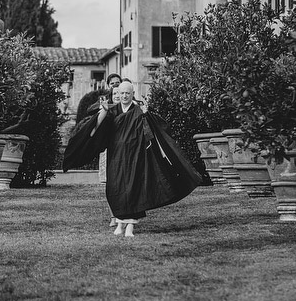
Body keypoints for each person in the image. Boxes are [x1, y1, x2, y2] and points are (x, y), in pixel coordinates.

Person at [63, 82, 202, 237]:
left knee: (134, 187)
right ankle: (120, 223)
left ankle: (130, 226)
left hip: (136, 155)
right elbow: (97, 127)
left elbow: (152, 129)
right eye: (121, 93)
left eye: (127, 93)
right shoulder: (113, 110)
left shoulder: (138, 110)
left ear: (132, 93)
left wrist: (147, 113)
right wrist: (103, 111)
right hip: (116, 155)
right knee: (115, 187)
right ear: (118, 94)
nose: (124, 96)